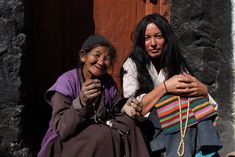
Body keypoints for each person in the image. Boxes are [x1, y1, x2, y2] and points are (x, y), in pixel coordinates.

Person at [121, 13, 222, 157]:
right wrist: (165, 87)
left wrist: (204, 91)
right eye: (147, 38)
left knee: (188, 104)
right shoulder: (131, 65)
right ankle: (205, 150)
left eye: (158, 36)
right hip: (149, 130)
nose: (153, 43)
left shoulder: (175, 63)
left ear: (166, 39)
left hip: (179, 125)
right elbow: (135, 108)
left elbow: (196, 97)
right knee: (177, 106)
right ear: (141, 42)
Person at [37, 34, 150, 157]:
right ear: (83, 56)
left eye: (107, 59)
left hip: (97, 128)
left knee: (131, 124)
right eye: (96, 55)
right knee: (101, 136)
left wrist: (125, 105)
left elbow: (116, 104)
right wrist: (81, 102)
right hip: (66, 137)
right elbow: (62, 129)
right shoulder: (67, 81)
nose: (101, 62)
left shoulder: (107, 81)